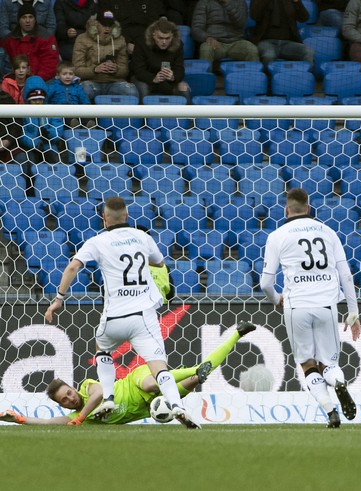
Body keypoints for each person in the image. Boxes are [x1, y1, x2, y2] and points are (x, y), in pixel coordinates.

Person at [43, 196, 199, 429]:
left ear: (104, 218)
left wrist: (58, 300)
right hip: (143, 317)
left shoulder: (97, 241)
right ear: (127, 216)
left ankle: (108, 398)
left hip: (114, 316)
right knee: (159, 367)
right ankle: (176, 405)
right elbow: (159, 263)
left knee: (102, 350)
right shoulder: (143, 237)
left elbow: (73, 266)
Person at [0, 322, 256, 425]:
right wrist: (20, 419)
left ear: (72, 387)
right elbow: (48, 424)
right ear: (61, 404)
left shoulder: (89, 388)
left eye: (68, 393)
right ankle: (236, 334)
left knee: (149, 385)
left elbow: (100, 393)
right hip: (148, 406)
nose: (70, 399)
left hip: (136, 382)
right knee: (199, 377)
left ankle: (191, 371)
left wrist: (80, 419)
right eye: (64, 401)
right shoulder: (79, 416)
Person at [259, 188, 361, 429]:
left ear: (286, 209)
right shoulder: (328, 232)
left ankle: (330, 411)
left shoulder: (277, 235)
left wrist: (277, 300)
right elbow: (346, 276)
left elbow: (265, 282)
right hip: (327, 304)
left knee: (307, 363)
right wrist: (353, 314)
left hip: (297, 306)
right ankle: (338, 381)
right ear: (309, 208)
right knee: (330, 364)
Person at [72, 10, 139, 101]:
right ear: (95, 24)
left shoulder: (120, 39)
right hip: (91, 82)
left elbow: (125, 70)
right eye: (104, 25)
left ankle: (122, 115)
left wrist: (116, 69)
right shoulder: (82, 39)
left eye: (110, 25)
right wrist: (94, 69)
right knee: (84, 90)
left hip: (114, 82)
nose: (107, 29)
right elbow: (76, 70)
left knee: (131, 91)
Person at [130, 17, 190, 100]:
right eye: (161, 38)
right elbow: (138, 70)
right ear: (153, 35)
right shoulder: (141, 43)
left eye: (167, 38)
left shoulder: (178, 45)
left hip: (168, 81)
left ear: (172, 36)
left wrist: (173, 77)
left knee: (184, 89)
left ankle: (185, 113)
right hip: (145, 79)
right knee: (143, 89)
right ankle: (143, 113)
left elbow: (180, 69)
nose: (164, 42)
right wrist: (153, 78)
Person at [1, 3, 60, 80]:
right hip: (15, 81)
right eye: (24, 17)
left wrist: (33, 81)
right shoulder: (9, 39)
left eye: (31, 17)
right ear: (18, 20)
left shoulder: (46, 37)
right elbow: (6, 66)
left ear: (35, 19)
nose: (28, 21)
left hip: (41, 81)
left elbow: (50, 65)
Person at [191, 0, 259, 65]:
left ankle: (254, 76)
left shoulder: (240, 1)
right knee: (205, 48)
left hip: (236, 42)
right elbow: (196, 28)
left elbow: (241, 23)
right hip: (215, 42)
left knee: (251, 49)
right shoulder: (204, 2)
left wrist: (228, 4)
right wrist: (207, 37)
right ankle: (204, 76)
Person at [250, 0, 314, 66]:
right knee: (269, 55)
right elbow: (254, 16)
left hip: (288, 43)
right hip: (266, 42)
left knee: (308, 51)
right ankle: (267, 76)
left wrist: (297, 2)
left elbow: (304, 18)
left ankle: (303, 76)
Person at [21, 75, 62, 164]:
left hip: (49, 145)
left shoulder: (52, 111)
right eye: (34, 100)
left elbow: (58, 128)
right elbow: (21, 133)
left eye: (40, 99)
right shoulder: (23, 112)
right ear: (28, 100)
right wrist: (35, 142)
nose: (38, 102)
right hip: (29, 147)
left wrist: (49, 134)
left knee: (54, 158)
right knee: (29, 161)